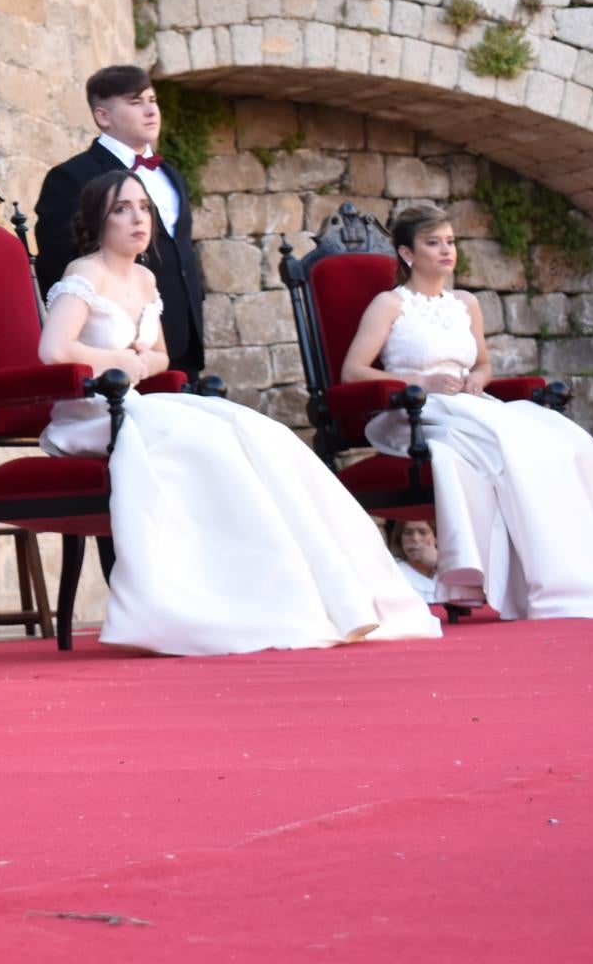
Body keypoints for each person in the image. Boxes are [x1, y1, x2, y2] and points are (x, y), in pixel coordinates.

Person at [38, 170, 440, 656]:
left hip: (137, 404)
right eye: (122, 209)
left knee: (256, 432)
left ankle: (305, 590)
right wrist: (121, 361)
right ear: (98, 220)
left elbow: (161, 356)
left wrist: (143, 362)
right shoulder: (84, 274)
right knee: (213, 443)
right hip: (92, 414)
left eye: (143, 207)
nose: (137, 218)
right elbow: (54, 350)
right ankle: (225, 598)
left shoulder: (144, 278)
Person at [340, 203, 593, 620]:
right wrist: (420, 384)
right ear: (407, 254)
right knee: (504, 448)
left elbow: (484, 363)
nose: (445, 251)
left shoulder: (466, 303)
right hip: (415, 411)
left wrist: (478, 379)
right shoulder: (390, 304)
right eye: (432, 243)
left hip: (468, 403)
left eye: (450, 242)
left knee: (565, 445)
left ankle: (578, 571)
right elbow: (353, 370)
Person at [33, 65, 206, 376]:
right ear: (103, 117)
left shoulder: (171, 175)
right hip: (109, 356)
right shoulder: (71, 177)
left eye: (153, 100)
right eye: (135, 101)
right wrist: (105, 343)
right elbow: (58, 268)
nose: (151, 110)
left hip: (177, 341)